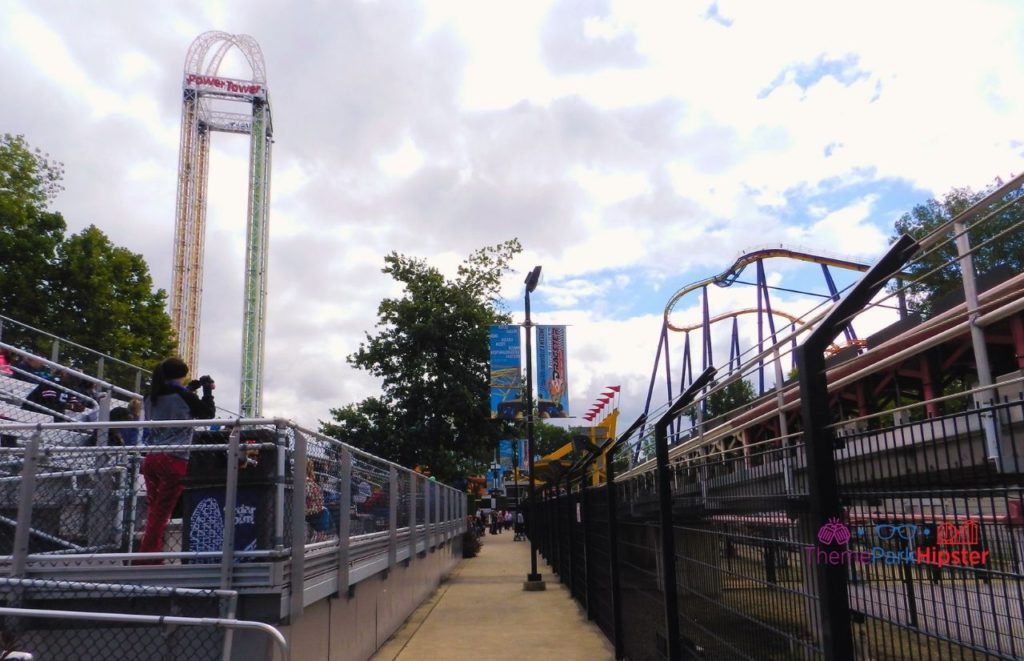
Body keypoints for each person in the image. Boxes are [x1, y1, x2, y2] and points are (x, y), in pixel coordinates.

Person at [137, 357, 215, 562]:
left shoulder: (151, 395)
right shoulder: (183, 395)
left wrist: (190, 388)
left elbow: (175, 400)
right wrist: (207, 390)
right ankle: (147, 558)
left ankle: (152, 554)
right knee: (161, 513)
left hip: (151, 458)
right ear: (182, 374)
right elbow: (207, 414)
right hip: (175, 458)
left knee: (155, 509)